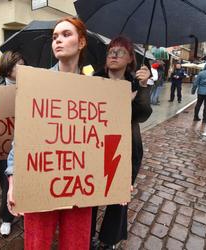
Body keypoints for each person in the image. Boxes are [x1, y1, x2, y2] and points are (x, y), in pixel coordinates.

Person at [6, 17, 93, 250]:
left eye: (66, 35)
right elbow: (21, 138)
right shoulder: (36, 83)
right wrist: (13, 182)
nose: (58, 41)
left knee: (77, 244)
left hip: (79, 184)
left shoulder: (96, 90)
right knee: (37, 244)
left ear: (81, 42)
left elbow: (104, 139)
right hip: (41, 179)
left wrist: (118, 179)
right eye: (55, 37)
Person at [90, 36, 152, 250]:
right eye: (110, 51)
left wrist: (143, 87)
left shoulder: (136, 82)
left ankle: (109, 239)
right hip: (94, 145)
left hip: (125, 147)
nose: (114, 55)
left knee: (118, 197)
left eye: (121, 52)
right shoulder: (93, 80)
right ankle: (86, 234)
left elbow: (143, 115)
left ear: (130, 59)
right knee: (89, 193)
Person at [0, 51, 25, 236]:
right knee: (6, 183)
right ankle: (6, 217)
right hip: (2, 145)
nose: (20, 67)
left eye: (23, 63)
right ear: (7, 67)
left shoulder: (33, 85)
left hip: (24, 142)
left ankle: (20, 209)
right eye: (16, 64)